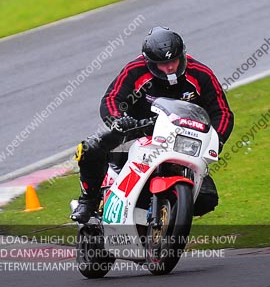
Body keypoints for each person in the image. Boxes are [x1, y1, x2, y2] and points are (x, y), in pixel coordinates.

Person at [70, 27, 235, 223]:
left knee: (207, 199)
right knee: (90, 148)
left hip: (180, 138)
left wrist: (215, 140)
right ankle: (88, 200)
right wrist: (118, 119)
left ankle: (170, 215)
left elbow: (222, 112)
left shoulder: (201, 74)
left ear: (182, 55)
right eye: (163, 64)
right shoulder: (135, 70)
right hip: (135, 131)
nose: (169, 68)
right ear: (150, 63)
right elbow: (112, 98)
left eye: (173, 61)